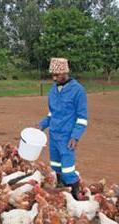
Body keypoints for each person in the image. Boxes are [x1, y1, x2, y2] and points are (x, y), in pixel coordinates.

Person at [38, 58, 88, 200]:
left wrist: (75, 136)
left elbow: (82, 117)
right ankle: (61, 193)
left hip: (67, 137)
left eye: (57, 75)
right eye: (52, 75)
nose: (54, 78)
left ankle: (75, 193)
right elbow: (51, 114)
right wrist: (41, 125)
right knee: (55, 168)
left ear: (65, 72)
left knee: (68, 170)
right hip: (53, 135)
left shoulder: (78, 91)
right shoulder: (53, 91)